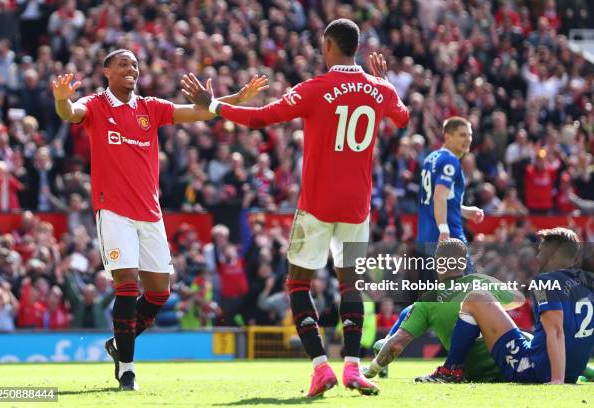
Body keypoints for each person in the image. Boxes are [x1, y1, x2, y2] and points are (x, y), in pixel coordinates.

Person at [182, 19, 409, 397]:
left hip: (318, 204)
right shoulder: (380, 89)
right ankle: (353, 367)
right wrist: (386, 83)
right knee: (350, 286)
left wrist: (215, 105)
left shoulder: (315, 88)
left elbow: (261, 117)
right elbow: (403, 116)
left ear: (327, 46)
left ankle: (321, 368)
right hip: (357, 206)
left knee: (298, 283)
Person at [52, 48, 268, 391]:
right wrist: (62, 100)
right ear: (107, 70)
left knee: (158, 292)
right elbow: (70, 112)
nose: (131, 69)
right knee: (126, 286)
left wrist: (237, 98)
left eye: (135, 65)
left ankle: (118, 343)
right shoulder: (95, 104)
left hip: (150, 213)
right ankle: (127, 370)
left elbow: (198, 112)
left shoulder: (151, 107)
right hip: (113, 211)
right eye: (123, 64)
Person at [421, 228, 594, 384]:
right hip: (571, 372)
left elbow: (556, 330)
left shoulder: (545, 282)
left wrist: (557, 380)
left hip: (535, 370)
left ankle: (450, 370)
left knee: (475, 298)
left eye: (541, 250)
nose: (537, 256)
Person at [364, 239, 526, 382]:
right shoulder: (481, 281)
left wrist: (371, 370)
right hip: (513, 361)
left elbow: (397, 344)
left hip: (476, 373)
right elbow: (519, 299)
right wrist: (487, 308)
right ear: (464, 263)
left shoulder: (428, 300)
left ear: (436, 263)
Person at [416, 117, 484, 282]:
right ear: (447, 136)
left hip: (425, 240)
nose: (467, 139)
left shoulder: (431, 158)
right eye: (462, 135)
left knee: (433, 302)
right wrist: (444, 229)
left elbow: (440, 199)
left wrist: (466, 211)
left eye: (469, 135)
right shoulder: (450, 161)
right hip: (450, 242)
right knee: (469, 297)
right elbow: (439, 196)